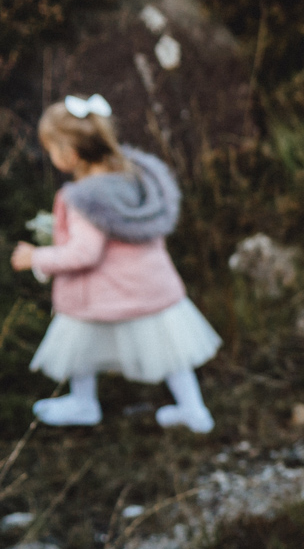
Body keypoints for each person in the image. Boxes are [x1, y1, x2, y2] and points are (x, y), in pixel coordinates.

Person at [10, 96, 220, 433]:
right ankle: (194, 411)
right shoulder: (134, 177)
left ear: (69, 153)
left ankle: (83, 403)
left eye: (51, 148)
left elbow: (83, 254)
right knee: (170, 350)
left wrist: (37, 257)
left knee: (79, 345)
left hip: (103, 293)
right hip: (151, 285)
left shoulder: (85, 199)